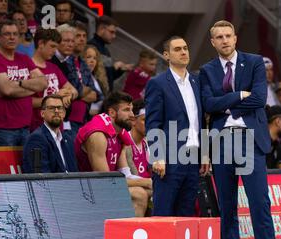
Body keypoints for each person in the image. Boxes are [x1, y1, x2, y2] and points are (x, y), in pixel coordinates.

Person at [199, 20, 281, 239]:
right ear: (212, 42)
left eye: (228, 35)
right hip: (222, 142)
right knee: (227, 209)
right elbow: (207, 103)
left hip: (251, 141)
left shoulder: (255, 62)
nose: (224, 40)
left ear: (235, 38)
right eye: (218, 37)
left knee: (260, 205)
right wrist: (238, 96)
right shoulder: (207, 70)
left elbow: (260, 99)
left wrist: (225, 105)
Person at [146, 36, 208, 217]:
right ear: (166, 55)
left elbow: (200, 121)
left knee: (186, 213)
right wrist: (157, 156)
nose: (183, 52)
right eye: (177, 49)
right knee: (164, 212)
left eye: (185, 48)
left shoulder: (197, 82)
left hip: (193, 157)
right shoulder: (157, 83)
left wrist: (204, 153)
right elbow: (153, 122)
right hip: (170, 158)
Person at [75, 91, 151, 216]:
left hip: (106, 184)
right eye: (127, 110)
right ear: (112, 113)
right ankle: (127, 235)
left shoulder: (120, 132)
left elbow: (126, 174)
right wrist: (145, 182)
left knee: (152, 190)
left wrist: (149, 183)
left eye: (131, 109)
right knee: (139, 193)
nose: (132, 115)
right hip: (89, 189)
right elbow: (105, 180)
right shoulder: (97, 134)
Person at [0, 20, 48, 146]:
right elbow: (7, 90)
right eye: (7, 34)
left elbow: (43, 82)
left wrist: (20, 83)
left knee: (28, 165)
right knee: (4, 166)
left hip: (25, 126)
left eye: (15, 34)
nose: (12, 37)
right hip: (1, 129)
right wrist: (32, 87)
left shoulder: (24, 58)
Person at [31, 27, 78, 132]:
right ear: (41, 44)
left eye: (56, 47)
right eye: (52, 46)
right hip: (37, 126)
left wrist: (68, 96)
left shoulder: (53, 67)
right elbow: (28, 102)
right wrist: (57, 97)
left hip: (57, 127)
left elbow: (74, 90)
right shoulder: (27, 67)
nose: (54, 51)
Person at [23, 94, 78, 173]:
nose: (56, 111)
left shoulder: (68, 139)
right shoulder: (36, 139)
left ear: (64, 113)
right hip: (54, 185)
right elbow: (40, 177)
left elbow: (75, 171)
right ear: (42, 113)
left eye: (59, 108)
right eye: (51, 108)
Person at [88, 16, 133, 91]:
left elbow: (109, 77)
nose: (114, 36)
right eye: (111, 32)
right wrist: (114, 67)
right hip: (95, 95)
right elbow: (92, 73)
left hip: (105, 96)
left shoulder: (105, 50)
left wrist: (121, 69)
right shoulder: (91, 47)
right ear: (102, 29)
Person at [121, 99, 152, 179]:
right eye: (145, 120)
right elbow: (127, 178)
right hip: (136, 187)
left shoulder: (150, 142)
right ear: (133, 121)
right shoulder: (124, 142)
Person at [82, 45, 109, 117]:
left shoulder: (97, 80)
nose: (92, 60)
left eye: (95, 58)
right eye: (88, 57)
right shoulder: (78, 77)